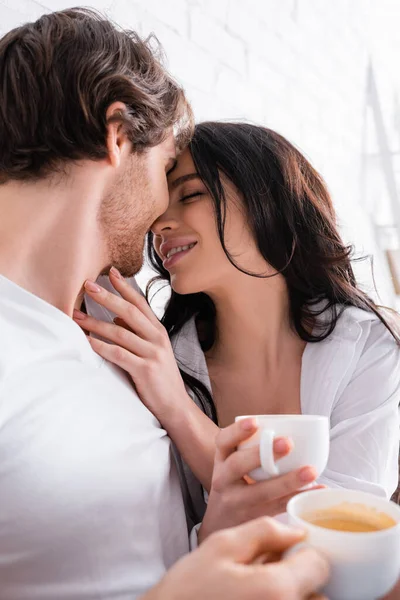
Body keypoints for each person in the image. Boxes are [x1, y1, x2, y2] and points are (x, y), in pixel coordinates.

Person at [0, 7, 332, 600]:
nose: (162, 214)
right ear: (118, 135)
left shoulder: (114, 329)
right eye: (164, 168)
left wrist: (218, 534)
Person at [81, 122, 400, 533]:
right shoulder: (163, 359)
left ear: (268, 197)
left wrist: (178, 408)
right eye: (158, 208)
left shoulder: (367, 344)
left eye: (191, 194)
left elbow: (343, 529)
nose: (160, 225)